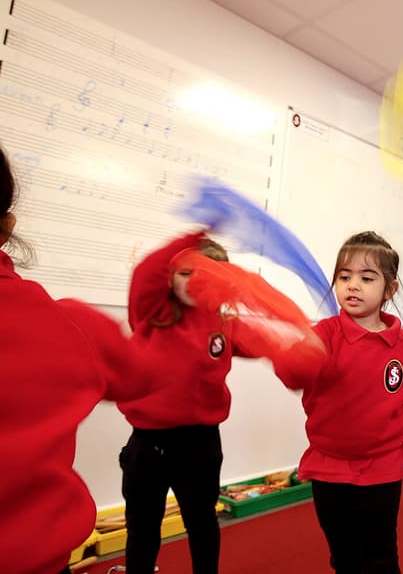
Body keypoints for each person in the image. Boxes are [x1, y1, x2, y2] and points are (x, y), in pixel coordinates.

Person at [0, 147, 164, 574]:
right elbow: (138, 378)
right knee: (142, 522)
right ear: (7, 227)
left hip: (194, 442)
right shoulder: (67, 324)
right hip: (40, 557)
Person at [274, 231, 403, 574]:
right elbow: (291, 376)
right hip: (328, 468)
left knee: (380, 557)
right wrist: (289, 353)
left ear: (389, 289)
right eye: (344, 276)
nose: (353, 285)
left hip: (382, 471)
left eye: (367, 278)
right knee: (344, 557)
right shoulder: (323, 334)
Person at [117, 230, 236, 574]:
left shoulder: (224, 323)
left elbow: (265, 344)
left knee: (201, 523)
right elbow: (145, 272)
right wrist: (194, 235)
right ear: (169, 278)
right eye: (186, 273)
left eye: (208, 276)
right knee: (142, 526)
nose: (196, 282)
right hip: (148, 443)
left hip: (200, 443)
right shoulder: (151, 312)